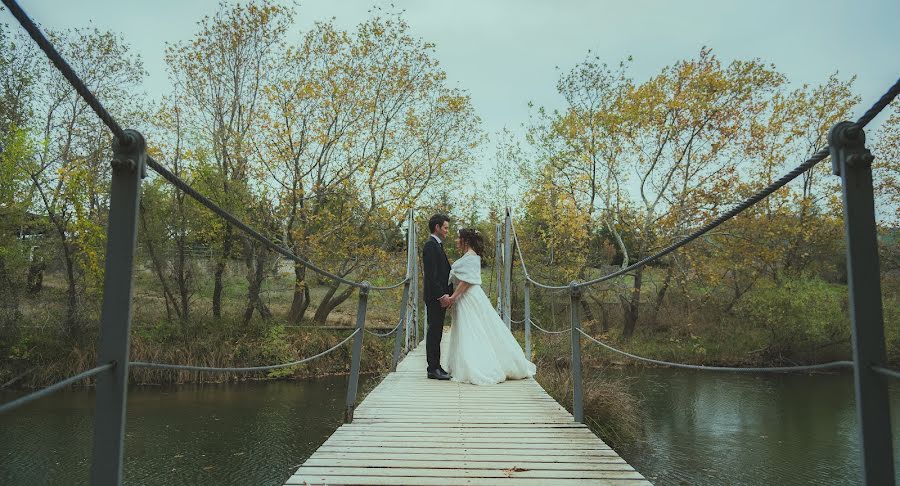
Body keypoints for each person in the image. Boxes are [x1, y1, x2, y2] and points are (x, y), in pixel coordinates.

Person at [441, 228, 536, 385]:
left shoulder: (471, 257)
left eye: (459, 239)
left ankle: (478, 366)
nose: (456, 241)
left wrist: (452, 298)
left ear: (466, 240)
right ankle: (464, 364)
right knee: (469, 330)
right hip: (466, 297)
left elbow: (467, 281)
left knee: (472, 330)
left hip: (467, 297)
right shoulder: (469, 256)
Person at [422, 214, 453, 380]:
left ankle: (436, 366)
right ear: (437, 228)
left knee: (437, 332)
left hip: (439, 297)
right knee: (434, 332)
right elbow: (432, 276)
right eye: (446, 227)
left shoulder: (437, 245)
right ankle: (432, 368)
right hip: (435, 298)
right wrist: (442, 295)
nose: (447, 231)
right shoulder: (430, 246)